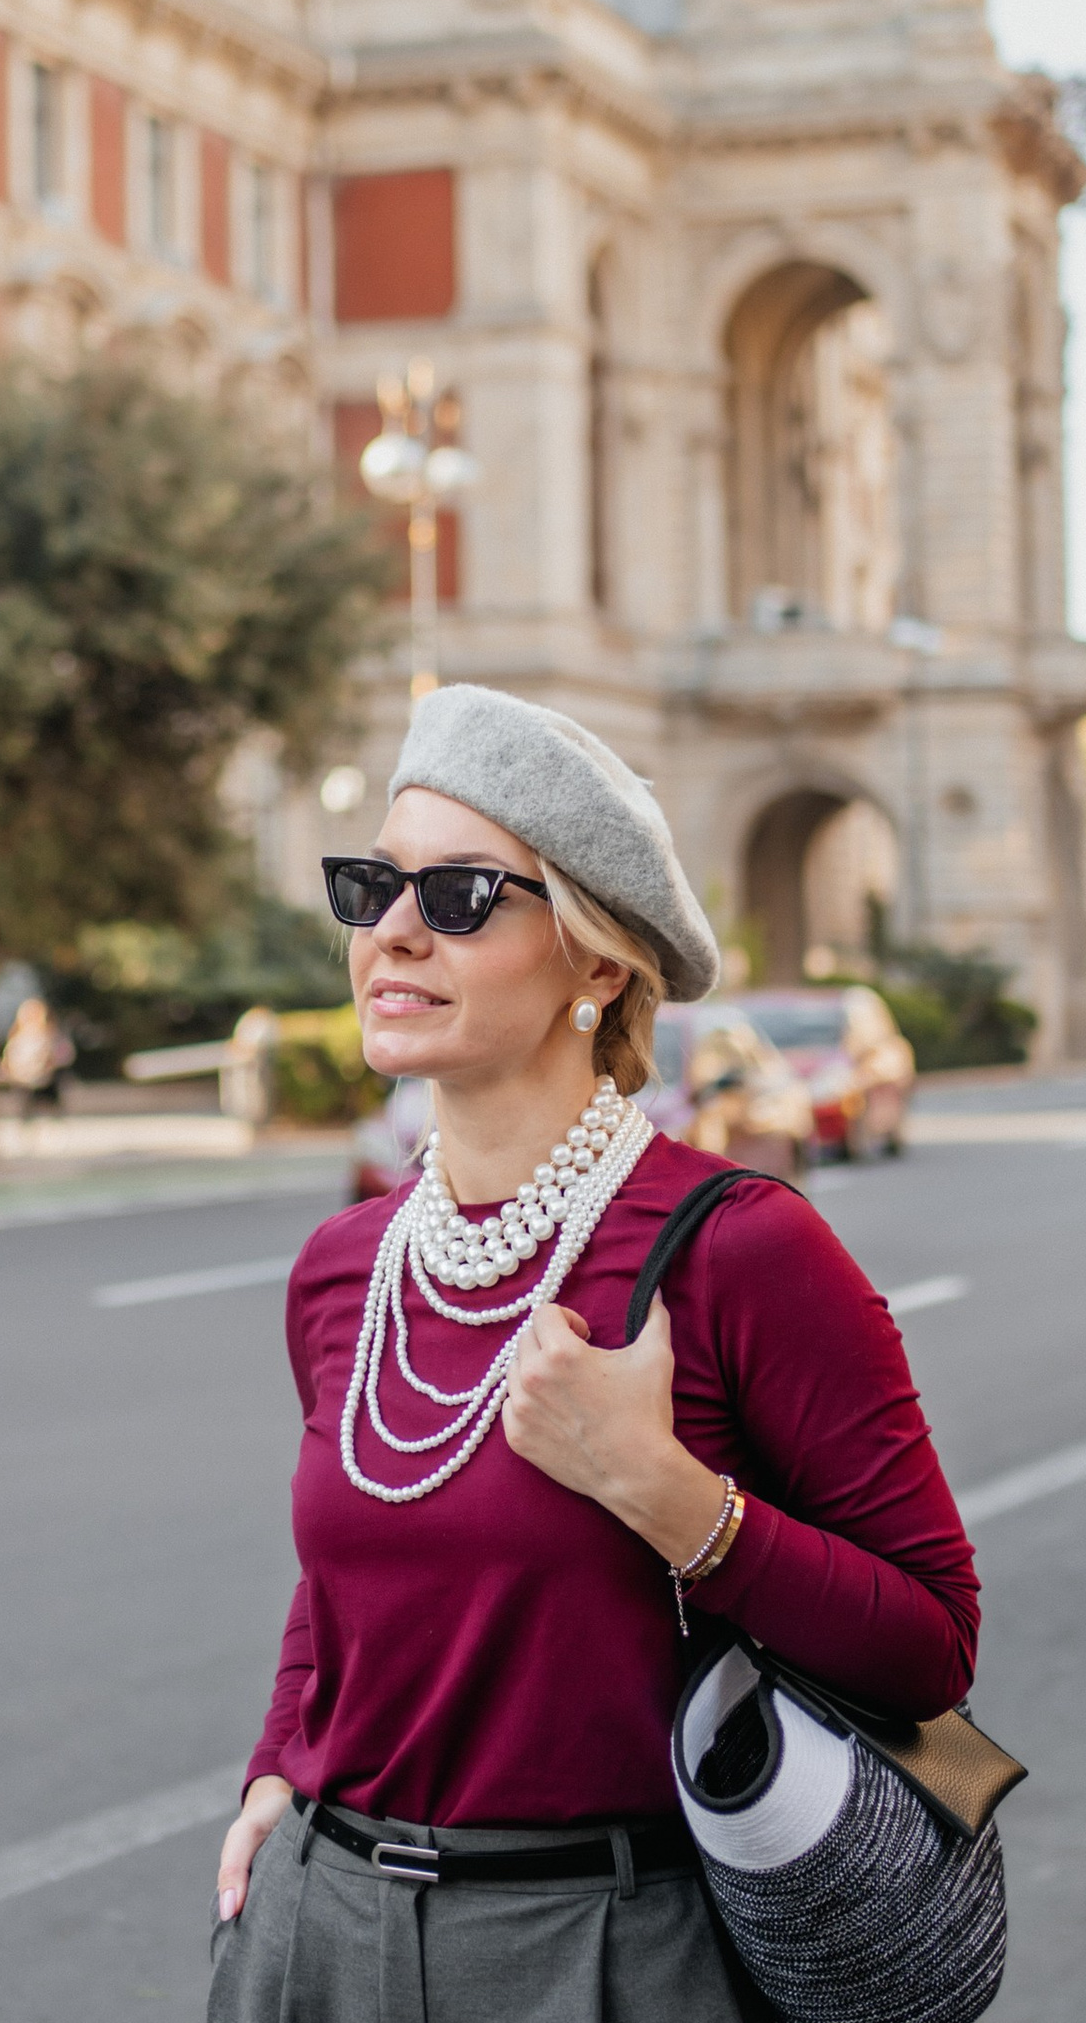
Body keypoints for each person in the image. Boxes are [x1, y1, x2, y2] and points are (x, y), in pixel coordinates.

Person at [210, 686, 977, 2022]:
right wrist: (278, 1768)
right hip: (318, 1937)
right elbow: (349, 1577)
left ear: (598, 961)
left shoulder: (745, 1250)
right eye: (370, 887)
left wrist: (659, 1490)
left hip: (607, 1951)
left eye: (457, 897)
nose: (391, 931)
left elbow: (931, 1648)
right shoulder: (348, 1266)